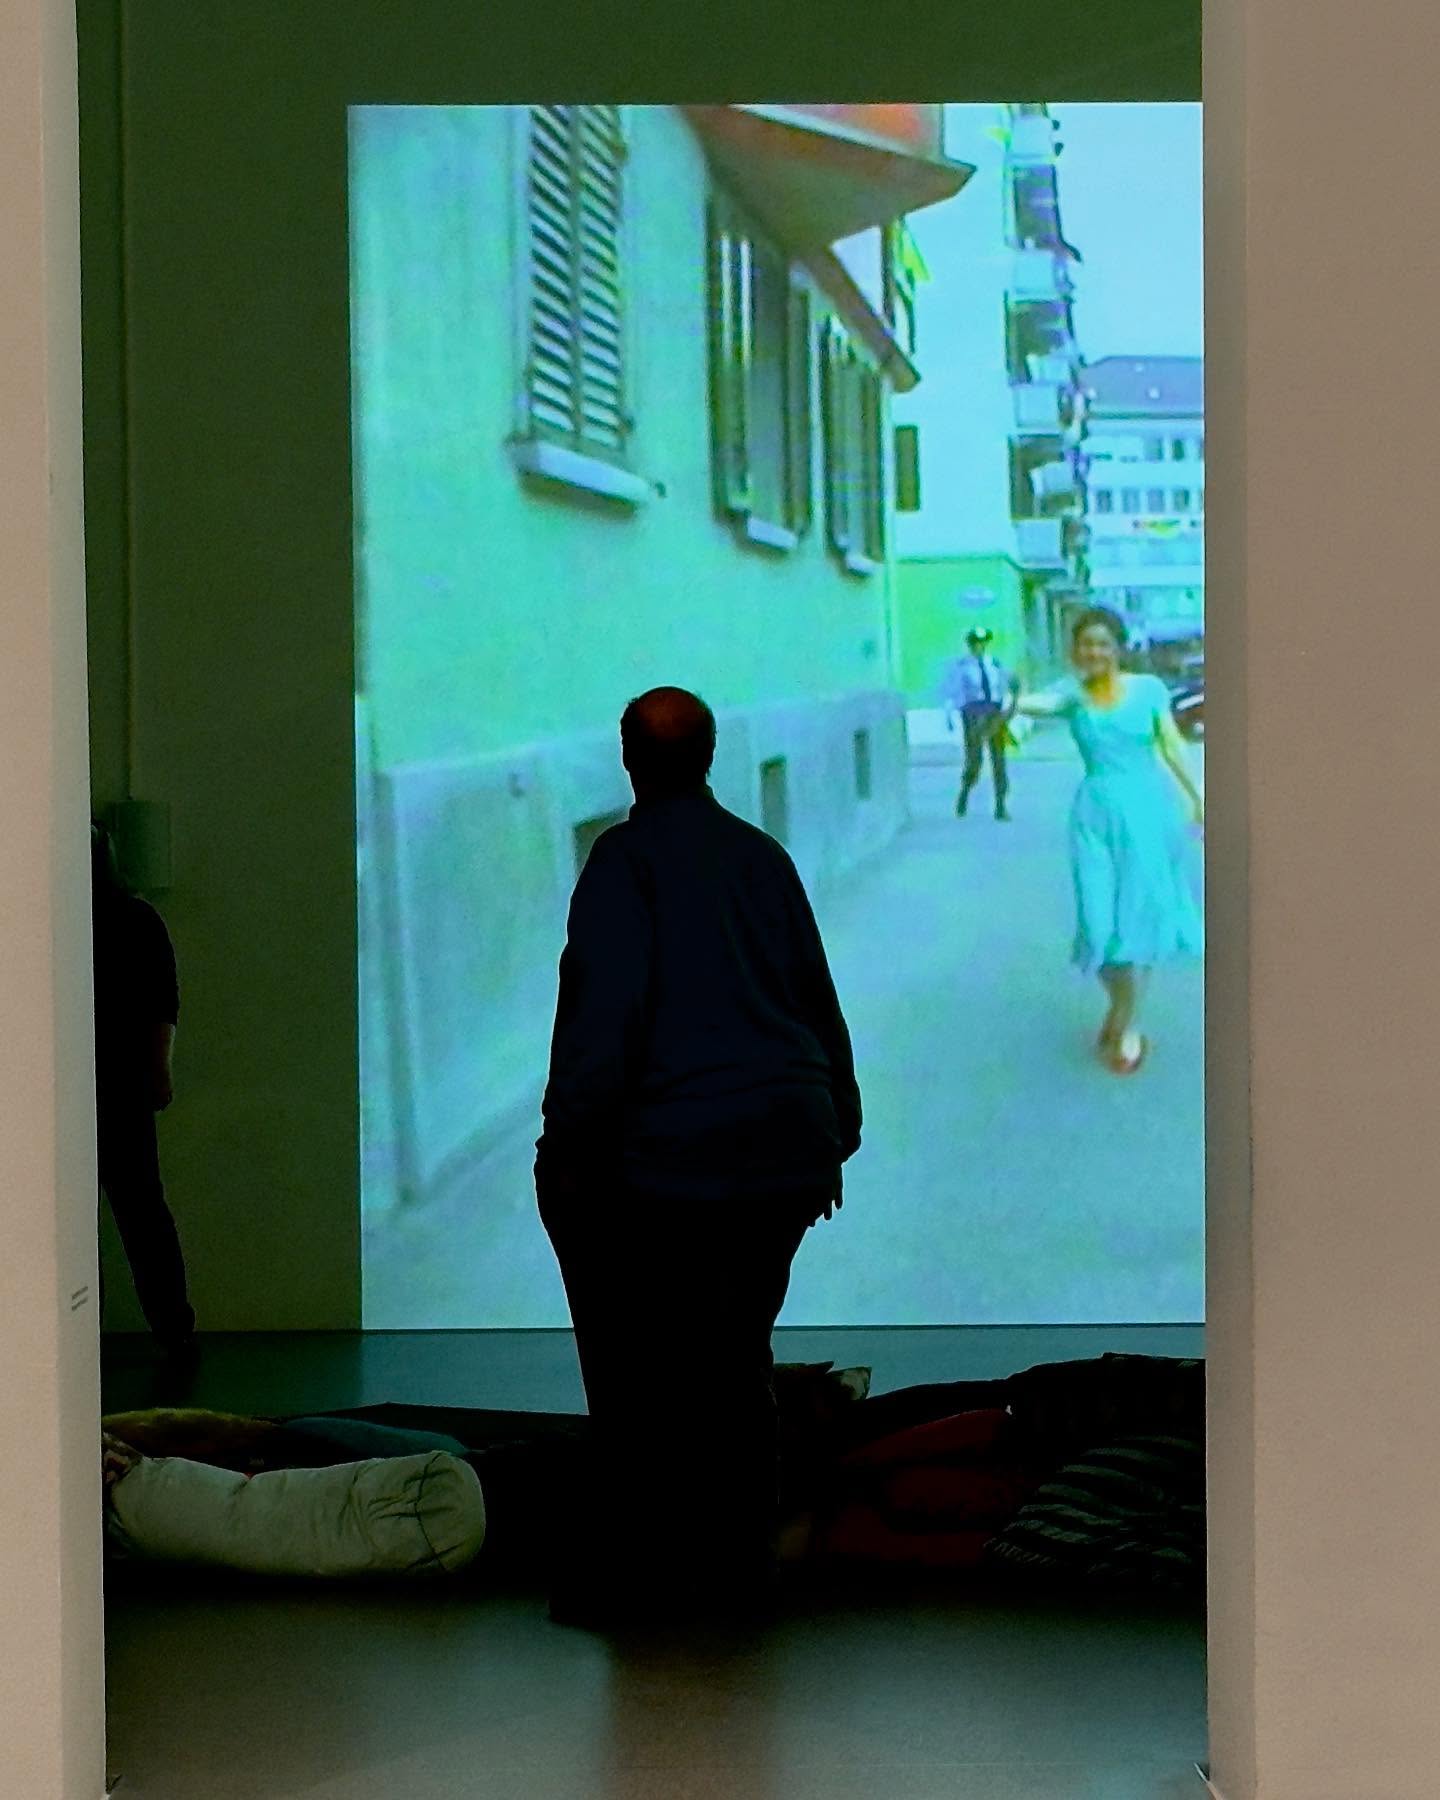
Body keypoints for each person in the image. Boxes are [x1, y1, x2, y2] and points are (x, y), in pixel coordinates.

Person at [534, 687, 861, 1627]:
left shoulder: (622, 861)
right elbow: (815, 997)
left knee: (643, 1372)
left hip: (672, 1158)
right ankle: (737, 1574)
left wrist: (567, 1150)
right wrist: (835, 1127)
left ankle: (645, 1576)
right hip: (786, 1148)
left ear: (627, 758)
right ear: (711, 757)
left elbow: (604, 1018)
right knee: (733, 1357)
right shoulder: (763, 858)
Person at [1012, 608, 1204, 1074]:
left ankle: (1127, 1024)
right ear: (1075, 651)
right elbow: (1028, 704)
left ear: (1118, 648)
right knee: (1098, 924)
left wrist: (1198, 796)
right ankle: (1120, 1006)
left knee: (1139, 918)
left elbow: (1171, 744)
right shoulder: (1072, 697)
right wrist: (1002, 692)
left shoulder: (1148, 690)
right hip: (1094, 817)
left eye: (1102, 643)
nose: (1093, 652)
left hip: (1148, 813)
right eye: (1085, 644)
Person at [91, 822, 196, 1353]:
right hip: (124, 1086)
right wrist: (159, 1069)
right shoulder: (138, 920)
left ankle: (83, 1336)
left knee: (95, 1221)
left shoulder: (53, 921)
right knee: (143, 1216)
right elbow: (163, 1003)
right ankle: (174, 1330)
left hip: (81, 1091)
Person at [941, 625, 1022, 821]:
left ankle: (1001, 805)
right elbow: (955, 691)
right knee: (975, 760)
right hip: (973, 714)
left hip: (994, 712)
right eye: (976, 643)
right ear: (970, 645)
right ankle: (965, 791)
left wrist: (1012, 698)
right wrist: (950, 715)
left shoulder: (994, 664)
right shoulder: (963, 667)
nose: (979, 646)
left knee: (999, 759)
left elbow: (1005, 685)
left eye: (982, 643)